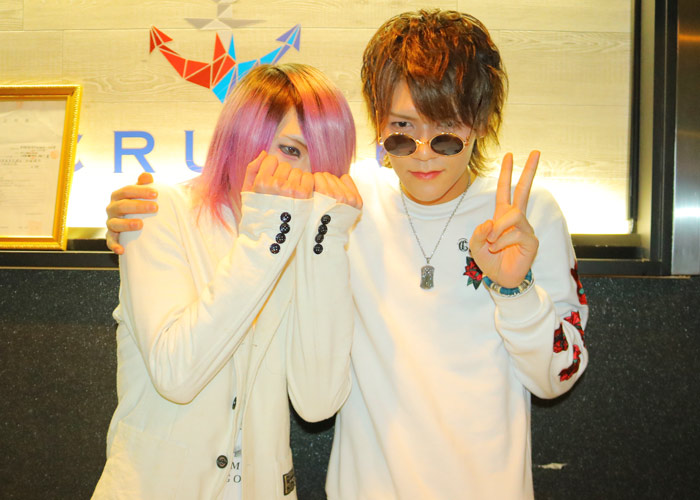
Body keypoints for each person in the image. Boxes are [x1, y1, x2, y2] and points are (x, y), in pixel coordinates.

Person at [105, 9, 589, 499]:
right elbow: (242, 190)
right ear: (379, 124)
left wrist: (515, 289)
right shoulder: (342, 204)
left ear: (480, 123)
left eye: (446, 132)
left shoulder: (524, 214)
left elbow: (557, 376)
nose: (423, 151)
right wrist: (147, 210)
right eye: (402, 130)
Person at [93, 63, 362, 500]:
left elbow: (318, 403)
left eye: (326, 163)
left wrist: (324, 244)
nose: (307, 178)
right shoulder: (158, 212)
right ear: (244, 136)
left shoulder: (307, 239)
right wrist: (266, 232)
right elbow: (177, 374)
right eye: (290, 150)